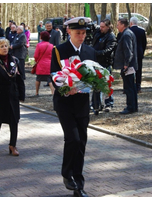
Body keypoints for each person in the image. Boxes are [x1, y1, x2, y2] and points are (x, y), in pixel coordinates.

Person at [50, 17, 96, 197]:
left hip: (83, 103)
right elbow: (53, 75)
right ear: (69, 31)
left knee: (82, 143)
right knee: (73, 139)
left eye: (84, 33)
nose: (82, 36)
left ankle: (79, 184)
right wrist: (66, 87)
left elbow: (95, 75)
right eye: (78, 33)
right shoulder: (59, 50)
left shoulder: (90, 51)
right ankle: (67, 174)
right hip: (65, 103)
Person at [0, 38, 25, 156]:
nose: (4, 48)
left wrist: (21, 95)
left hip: (13, 96)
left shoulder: (15, 61)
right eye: (1, 46)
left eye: (6, 46)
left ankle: (12, 145)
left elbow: (20, 79)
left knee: (14, 121)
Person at [113, 18, 138, 114]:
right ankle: (133, 106)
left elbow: (128, 51)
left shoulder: (127, 34)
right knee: (131, 87)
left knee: (129, 87)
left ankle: (130, 107)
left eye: (118, 24)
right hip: (130, 65)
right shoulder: (127, 33)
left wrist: (126, 65)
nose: (117, 26)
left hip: (129, 66)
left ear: (123, 25)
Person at [91, 19, 117, 113]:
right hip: (96, 63)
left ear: (108, 27)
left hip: (105, 63)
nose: (100, 28)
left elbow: (108, 50)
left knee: (106, 84)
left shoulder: (111, 37)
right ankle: (95, 104)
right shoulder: (98, 33)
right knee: (96, 84)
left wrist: (95, 53)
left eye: (103, 27)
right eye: (100, 26)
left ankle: (109, 103)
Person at [129, 17, 147, 93]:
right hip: (139, 53)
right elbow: (144, 43)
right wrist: (142, 51)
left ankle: (130, 86)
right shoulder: (142, 31)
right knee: (138, 70)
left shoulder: (128, 31)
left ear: (131, 23)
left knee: (130, 70)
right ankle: (138, 86)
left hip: (130, 53)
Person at [33, 31, 54, 95]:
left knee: (38, 79)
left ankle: (37, 92)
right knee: (50, 80)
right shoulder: (51, 45)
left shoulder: (39, 45)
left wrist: (37, 61)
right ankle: (53, 92)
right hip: (49, 64)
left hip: (41, 64)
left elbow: (36, 56)